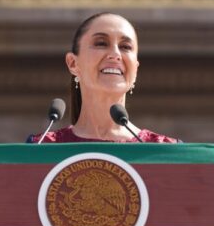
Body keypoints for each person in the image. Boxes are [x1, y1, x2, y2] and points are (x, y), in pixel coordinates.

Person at [28, 12, 179, 143]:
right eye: (101, 43)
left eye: (125, 47)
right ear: (73, 63)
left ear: (135, 70)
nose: (115, 54)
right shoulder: (42, 147)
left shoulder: (164, 150)